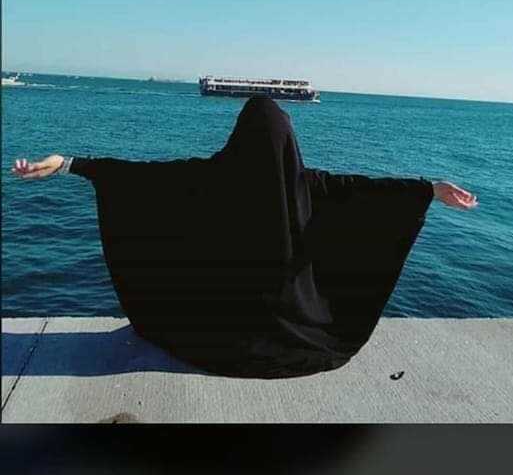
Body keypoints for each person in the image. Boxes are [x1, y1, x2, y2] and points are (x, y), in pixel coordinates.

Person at [11, 95, 478, 379]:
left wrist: (68, 163)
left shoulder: (211, 178)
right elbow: (365, 191)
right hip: (293, 329)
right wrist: (428, 190)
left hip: (214, 329)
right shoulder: (307, 185)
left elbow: (139, 178)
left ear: (239, 136)